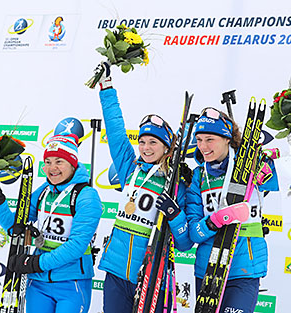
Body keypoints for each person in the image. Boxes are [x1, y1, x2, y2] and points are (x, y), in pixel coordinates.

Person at [96, 64, 193, 313]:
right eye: (142, 142)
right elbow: (116, 131)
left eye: (153, 142)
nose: (146, 148)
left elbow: (184, 243)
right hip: (117, 271)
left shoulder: (177, 183)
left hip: (153, 274)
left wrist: (175, 215)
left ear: (166, 147)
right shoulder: (130, 168)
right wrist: (107, 89)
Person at [0, 132, 103, 313]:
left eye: (59, 161)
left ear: (72, 163)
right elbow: (15, 228)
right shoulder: (44, 192)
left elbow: (77, 246)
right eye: (48, 162)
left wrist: (36, 263)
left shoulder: (87, 196)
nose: (52, 168)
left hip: (71, 283)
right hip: (38, 284)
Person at [186, 107, 268, 313]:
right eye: (199, 140)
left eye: (210, 139)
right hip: (209, 268)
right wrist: (218, 219)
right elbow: (194, 233)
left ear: (227, 139)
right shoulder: (199, 177)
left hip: (244, 268)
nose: (203, 146)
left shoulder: (252, 166)